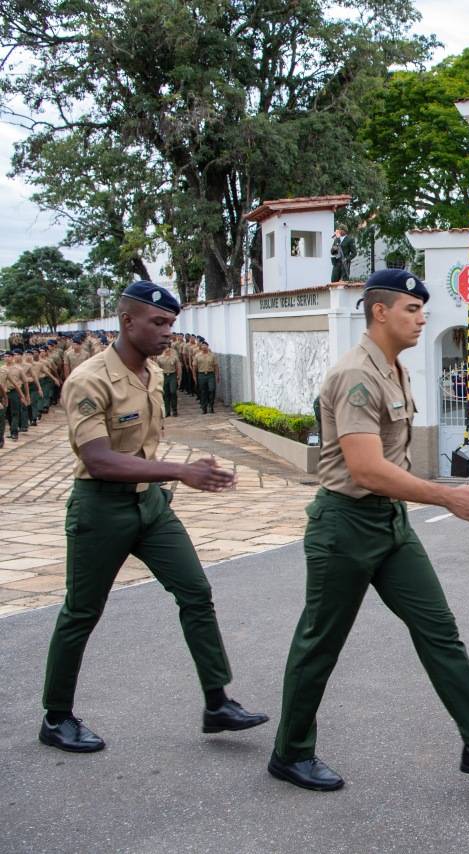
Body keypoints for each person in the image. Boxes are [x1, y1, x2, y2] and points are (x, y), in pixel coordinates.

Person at [268, 267, 469, 792]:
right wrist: (446, 496)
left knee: (438, 627)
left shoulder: (395, 369)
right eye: (412, 310)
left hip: (389, 523)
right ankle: (291, 751)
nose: (421, 319)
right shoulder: (357, 376)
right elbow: (366, 470)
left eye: (422, 310)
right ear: (380, 311)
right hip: (345, 526)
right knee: (320, 643)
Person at [39, 281, 268, 754]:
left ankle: (217, 702)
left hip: (150, 505)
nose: (167, 332)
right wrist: (180, 471)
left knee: (196, 592)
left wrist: (165, 483)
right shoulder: (89, 379)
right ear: (128, 322)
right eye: (158, 322)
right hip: (101, 507)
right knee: (82, 612)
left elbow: (142, 448)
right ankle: (56, 717)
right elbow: (99, 459)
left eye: (171, 323)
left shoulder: (154, 374)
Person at [156, 342, 182, 416]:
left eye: (167, 347)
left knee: (173, 392)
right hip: (164, 376)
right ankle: (167, 411)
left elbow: (177, 367)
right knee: (165, 394)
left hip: (172, 375)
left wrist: (178, 376)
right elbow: (158, 368)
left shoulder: (174, 357)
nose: (166, 349)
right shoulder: (159, 358)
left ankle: (174, 410)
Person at [193, 340, 219, 414]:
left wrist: (217, 375)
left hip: (210, 375)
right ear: (201, 347)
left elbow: (216, 366)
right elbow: (194, 367)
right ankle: (204, 408)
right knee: (203, 392)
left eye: (205, 346)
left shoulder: (212, 355)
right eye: (203, 346)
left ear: (208, 346)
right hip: (201, 375)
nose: (204, 347)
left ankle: (211, 406)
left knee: (212, 390)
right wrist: (194, 376)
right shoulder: (197, 356)